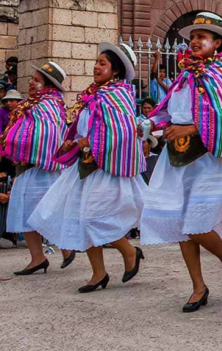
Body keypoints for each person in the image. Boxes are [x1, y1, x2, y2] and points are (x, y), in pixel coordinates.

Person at [141, 13, 222, 312]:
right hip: (177, 157)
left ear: (217, 43)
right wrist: (151, 123)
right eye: (192, 36)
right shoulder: (184, 77)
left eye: (201, 36)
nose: (194, 41)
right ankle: (198, 287)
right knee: (181, 223)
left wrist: (191, 128)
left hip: (208, 158)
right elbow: (170, 112)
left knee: (195, 223)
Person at [30, 43, 146, 292]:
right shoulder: (95, 94)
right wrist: (73, 141)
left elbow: (120, 131)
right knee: (82, 218)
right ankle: (98, 273)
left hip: (106, 168)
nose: (96, 67)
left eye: (102, 63)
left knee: (94, 217)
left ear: (115, 70)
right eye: (96, 62)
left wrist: (89, 142)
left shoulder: (117, 95)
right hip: (85, 165)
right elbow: (87, 126)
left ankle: (129, 252)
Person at [0, 62, 75, 271]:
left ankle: (65, 247)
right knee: (27, 212)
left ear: (48, 85)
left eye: (36, 80)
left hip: (42, 168)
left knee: (46, 210)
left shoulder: (47, 105)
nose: (31, 83)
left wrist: (19, 146)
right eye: (32, 79)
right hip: (29, 166)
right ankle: (38, 257)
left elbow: (47, 136)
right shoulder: (35, 104)